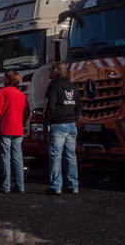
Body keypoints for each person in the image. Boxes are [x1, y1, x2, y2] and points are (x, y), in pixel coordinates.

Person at [0, 70, 29, 193]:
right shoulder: (22, 95)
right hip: (18, 129)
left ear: (8, 79)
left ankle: (5, 186)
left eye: (4, 78)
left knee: (5, 157)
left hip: (6, 128)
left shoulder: (2, 92)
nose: (2, 80)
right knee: (18, 158)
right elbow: (26, 112)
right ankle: (20, 186)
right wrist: (22, 123)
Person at [44, 61, 82, 195]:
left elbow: (50, 106)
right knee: (71, 156)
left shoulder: (54, 86)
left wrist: (47, 121)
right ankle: (73, 185)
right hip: (71, 125)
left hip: (58, 125)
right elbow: (79, 106)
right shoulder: (72, 86)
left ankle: (56, 186)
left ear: (55, 71)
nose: (48, 72)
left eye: (50, 69)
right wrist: (73, 118)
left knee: (55, 156)